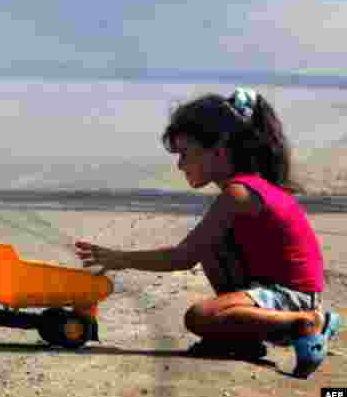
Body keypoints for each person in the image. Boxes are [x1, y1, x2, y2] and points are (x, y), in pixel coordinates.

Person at [76, 88, 340, 378]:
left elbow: (183, 257)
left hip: (291, 297)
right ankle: (241, 339)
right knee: (212, 244)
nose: (179, 165)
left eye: (185, 154)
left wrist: (122, 258)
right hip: (277, 288)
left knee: (199, 317)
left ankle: (304, 323)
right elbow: (198, 250)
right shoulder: (245, 188)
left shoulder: (239, 193)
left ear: (219, 149)